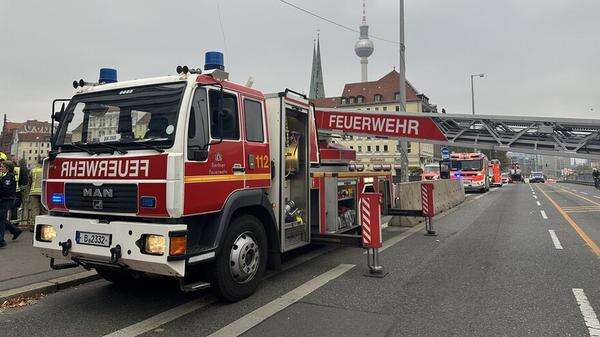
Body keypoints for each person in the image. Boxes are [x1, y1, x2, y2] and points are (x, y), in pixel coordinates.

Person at [0, 161, 22, 248]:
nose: (1, 168)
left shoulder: (8, 177)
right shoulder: (6, 176)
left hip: (6, 200)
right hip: (5, 200)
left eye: (2, 166)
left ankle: (1, 240)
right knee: (1, 218)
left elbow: (6, 190)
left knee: (1, 218)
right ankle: (15, 230)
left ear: (7, 168)